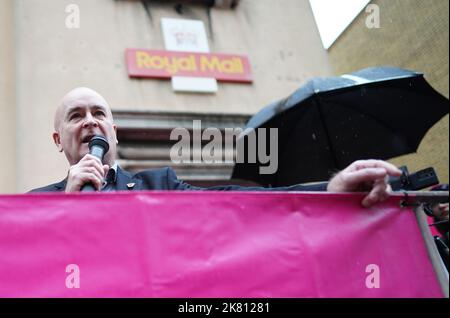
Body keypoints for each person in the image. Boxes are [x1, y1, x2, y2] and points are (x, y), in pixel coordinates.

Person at [30, 87, 402, 207]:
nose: (90, 121)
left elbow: (234, 203)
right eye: (76, 115)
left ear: (114, 131)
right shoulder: (34, 207)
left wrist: (331, 191)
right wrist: (66, 202)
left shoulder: (160, 184)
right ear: (58, 139)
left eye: (99, 113)